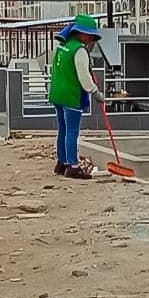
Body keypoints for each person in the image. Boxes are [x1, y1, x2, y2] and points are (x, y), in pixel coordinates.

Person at [47, 14, 104, 178]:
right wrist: (95, 92)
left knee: (62, 129)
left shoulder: (62, 46)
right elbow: (83, 76)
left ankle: (62, 162)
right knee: (72, 131)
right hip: (72, 95)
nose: (91, 38)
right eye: (89, 34)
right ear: (80, 32)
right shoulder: (79, 51)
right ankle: (72, 165)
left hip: (57, 94)